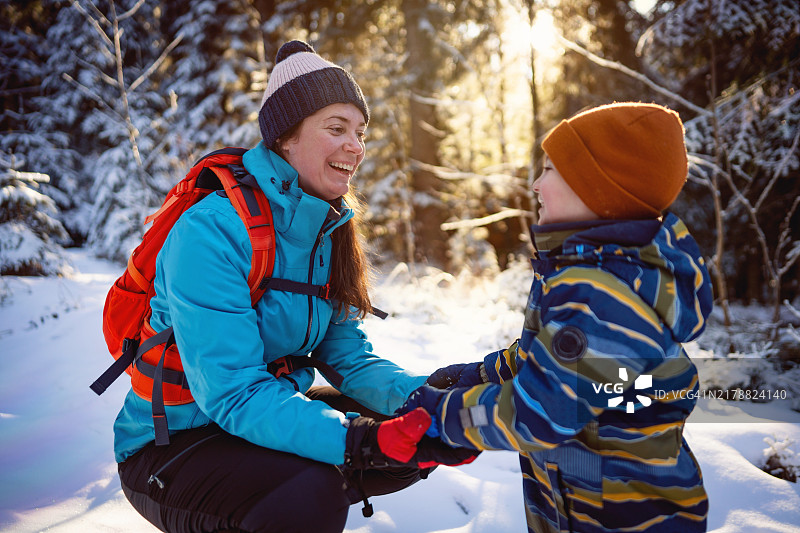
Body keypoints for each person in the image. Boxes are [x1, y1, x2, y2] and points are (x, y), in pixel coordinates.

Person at [114, 40, 473, 533]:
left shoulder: (328, 231)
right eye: (336, 128)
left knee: (416, 439)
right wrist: (358, 442)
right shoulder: (212, 230)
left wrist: (430, 403)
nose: (356, 146)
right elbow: (233, 391)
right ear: (285, 137)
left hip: (256, 420)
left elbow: (350, 358)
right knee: (311, 493)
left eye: (360, 132)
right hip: (174, 446)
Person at [400, 102, 714, 532]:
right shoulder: (580, 272)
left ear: (597, 191)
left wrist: (443, 416)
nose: (535, 184)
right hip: (575, 507)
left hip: (629, 520)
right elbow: (546, 361)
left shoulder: (603, 293)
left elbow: (542, 412)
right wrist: (477, 375)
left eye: (550, 169)